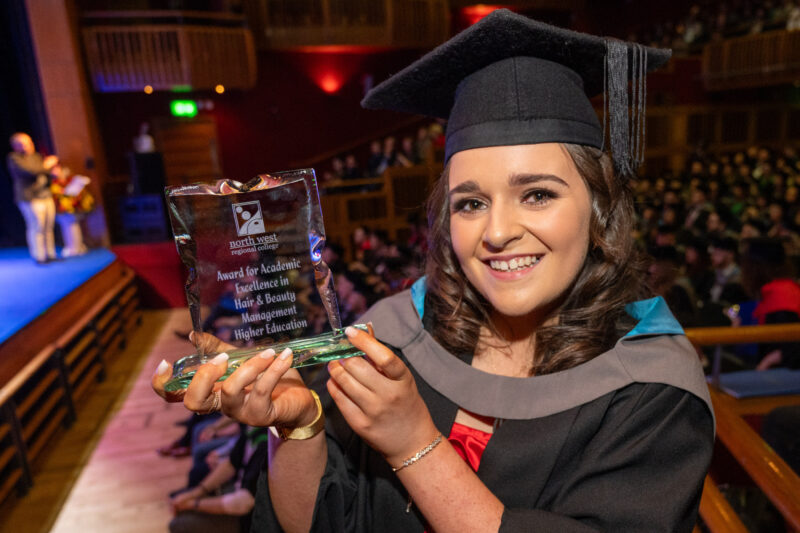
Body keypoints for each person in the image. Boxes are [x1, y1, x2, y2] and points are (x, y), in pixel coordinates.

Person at [153, 10, 714, 532]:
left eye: (537, 194)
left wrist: (412, 443)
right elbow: (322, 522)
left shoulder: (651, 390)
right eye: (470, 203)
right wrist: (298, 429)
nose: (497, 232)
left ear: (599, 209)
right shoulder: (394, 336)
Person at [6, 132, 58, 264]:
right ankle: (39, 256)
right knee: (37, 226)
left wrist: (53, 172)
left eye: (30, 143)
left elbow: (43, 171)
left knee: (48, 226)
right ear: (16, 146)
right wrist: (47, 166)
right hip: (30, 198)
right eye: (24, 144)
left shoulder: (36, 156)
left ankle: (50, 254)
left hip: (45, 195)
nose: (29, 146)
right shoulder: (14, 158)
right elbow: (31, 171)